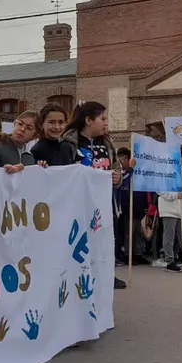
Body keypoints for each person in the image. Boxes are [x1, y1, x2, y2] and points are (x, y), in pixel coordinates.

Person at [63, 101, 132, 288]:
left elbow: (115, 168)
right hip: (79, 203)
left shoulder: (107, 143)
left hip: (104, 203)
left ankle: (107, 273)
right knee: (80, 240)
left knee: (104, 240)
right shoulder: (69, 142)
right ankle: (78, 275)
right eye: (102, 118)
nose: (106, 123)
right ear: (88, 120)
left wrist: (117, 179)